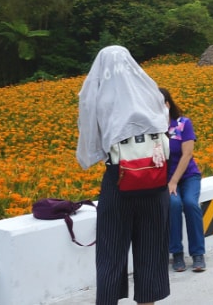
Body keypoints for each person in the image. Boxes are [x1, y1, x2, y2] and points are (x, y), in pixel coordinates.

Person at [77, 45, 171, 305]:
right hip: (154, 179)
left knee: (110, 254)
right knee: (152, 251)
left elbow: (90, 138)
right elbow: (164, 122)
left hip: (118, 180)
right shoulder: (148, 88)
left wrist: (96, 153)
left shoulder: (97, 95)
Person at [161, 87, 206, 273]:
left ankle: (197, 254)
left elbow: (187, 155)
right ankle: (177, 253)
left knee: (190, 203)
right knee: (173, 204)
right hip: (164, 179)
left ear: (168, 104)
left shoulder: (182, 124)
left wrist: (173, 181)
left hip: (187, 176)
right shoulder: (151, 130)